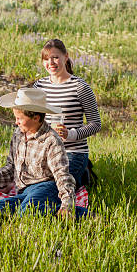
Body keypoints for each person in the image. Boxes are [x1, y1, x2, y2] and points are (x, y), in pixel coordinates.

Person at [0, 88, 87, 218]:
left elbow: (62, 175)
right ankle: (50, 208)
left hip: (47, 187)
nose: (16, 122)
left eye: (19, 118)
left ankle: (82, 214)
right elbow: (11, 167)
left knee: (27, 212)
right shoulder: (18, 134)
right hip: (24, 191)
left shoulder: (51, 140)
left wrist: (67, 202)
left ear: (36, 118)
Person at [34, 38, 101, 189]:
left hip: (72, 151)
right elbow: (34, 119)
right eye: (46, 59)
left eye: (55, 57)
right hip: (46, 150)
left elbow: (96, 124)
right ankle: (81, 176)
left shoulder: (80, 87)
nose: (50, 63)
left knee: (53, 186)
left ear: (66, 56)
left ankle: (81, 172)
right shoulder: (39, 86)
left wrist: (70, 134)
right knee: (28, 181)